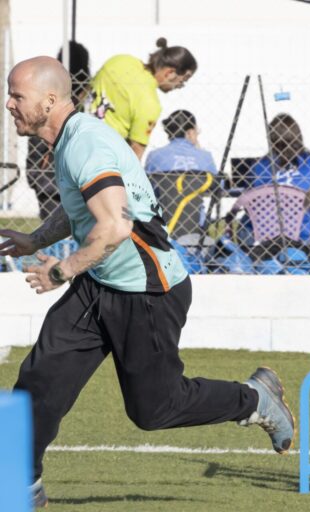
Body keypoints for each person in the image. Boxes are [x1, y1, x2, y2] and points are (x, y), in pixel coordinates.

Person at [0, 57, 293, 508]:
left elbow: (114, 228)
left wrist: (61, 270)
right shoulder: (66, 140)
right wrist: (36, 239)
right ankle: (20, 489)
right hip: (100, 283)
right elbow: (84, 208)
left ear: (50, 101)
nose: (9, 104)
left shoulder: (85, 144)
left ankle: (253, 398)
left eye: (17, 96)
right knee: (39, 383)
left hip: (148, 291)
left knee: (154, 409)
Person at [89, 38, 196, 161]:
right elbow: (135, 153)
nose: (180, 86)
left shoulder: (120, 60)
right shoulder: (150, 103)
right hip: (102, 157)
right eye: (183, 80)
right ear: (169, 73)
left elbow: (86, 88)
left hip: (75, 137)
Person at [26, 40, 90, 220]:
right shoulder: (86, 94)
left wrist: (33, 176)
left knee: (51, 227)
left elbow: (35, 141)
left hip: (47, 177)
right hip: (69, 175)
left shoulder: (47, 89)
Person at [241, 113, 310, 251]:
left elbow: (248, 203)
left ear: (271, 139)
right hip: (302, 237)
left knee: (244, 222)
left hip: (262, 237)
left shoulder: (259, 166)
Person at [144, 109, 217, 174]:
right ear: (190, 133)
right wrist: (199, 151)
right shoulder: (206, 157)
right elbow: (219, 185)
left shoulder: (154, 155)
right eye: (197, 131)